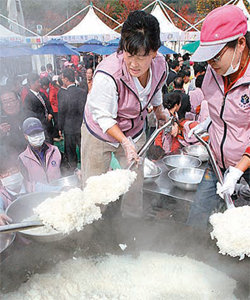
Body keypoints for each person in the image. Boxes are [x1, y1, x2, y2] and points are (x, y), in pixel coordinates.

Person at [81, 10, 169, 218]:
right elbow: (103, 117)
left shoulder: (160, 65)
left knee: (134, 183)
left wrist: (159, 111)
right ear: (123, 48)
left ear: (154, 51)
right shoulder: (108, 74)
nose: (134, 64)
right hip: (99, 132)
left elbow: (156, 90)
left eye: (141, 56)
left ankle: (131, 227)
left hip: (134, 129)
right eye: (129, 55)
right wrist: (124, 142)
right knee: (95, 188)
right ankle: (93, 228)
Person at [187, 5, 250, 228]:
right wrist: (208, 121)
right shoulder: (212, 75)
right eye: (208, 59)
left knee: (241, 229)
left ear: (240, 43)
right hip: (216, 160)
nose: (211, 64)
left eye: (216, 56)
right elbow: (221, 108)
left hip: (245, 166)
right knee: (197, 215)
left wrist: (239, 170)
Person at [18, 117, 61, 193]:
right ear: (26, 136)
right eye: (32, 134)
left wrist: (76, 172)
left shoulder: (55, 151)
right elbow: (25, 184)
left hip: (59, 194)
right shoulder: (23, 158)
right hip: (39, 198)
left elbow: (67, 169)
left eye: (38, 132)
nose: (36, 136)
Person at [58, 68, 87, 172]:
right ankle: (86, 169)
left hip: (68, 127)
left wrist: (60, 127)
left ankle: (74, 172)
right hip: (81, 126)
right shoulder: (82, 92)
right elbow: (84, 111)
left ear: (66, 79)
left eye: (62, 78)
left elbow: (61, 112)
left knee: (71, 152)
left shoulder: (63, 94)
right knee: (83, 149)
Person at [24, 73, 54, 142]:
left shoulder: (42, 94)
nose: (40, 84)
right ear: (32, 83)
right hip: (40, 127)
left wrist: (50, 114)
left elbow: (48, 106)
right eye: (38, 82)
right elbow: (30, 114)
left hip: (48, 126)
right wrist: (44, 120)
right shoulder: (28, 99)